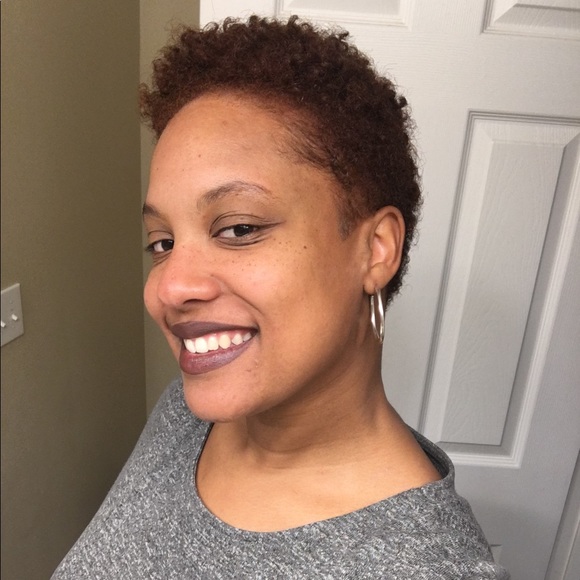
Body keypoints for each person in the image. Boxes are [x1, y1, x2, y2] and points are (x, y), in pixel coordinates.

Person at [53, 15, 509, 579]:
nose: (168, 288)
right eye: (162, 242)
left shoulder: (430, 568)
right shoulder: (187, 413)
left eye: (239, 228)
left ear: (375, 250)